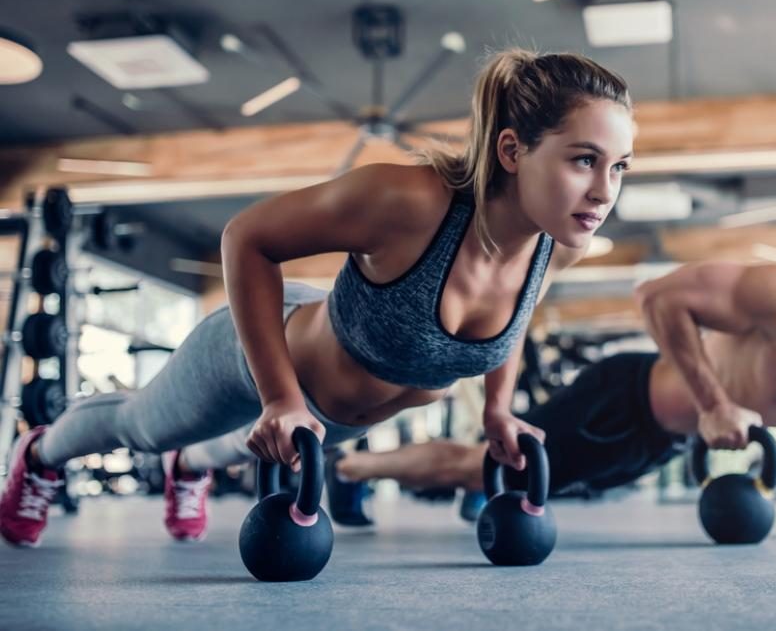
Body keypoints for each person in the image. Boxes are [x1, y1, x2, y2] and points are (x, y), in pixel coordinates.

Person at [0, 49, 636, 547]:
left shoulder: (558, 244)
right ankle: (41, 454)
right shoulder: (408, 203)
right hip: (261, 352)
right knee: (141, 429)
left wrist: (497, 409)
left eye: (620, 167)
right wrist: (279, 396)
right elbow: (247, 238)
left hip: (323, 422)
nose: (604, 190)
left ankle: (190, 469)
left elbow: (512, 322)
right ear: (511, 150)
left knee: (232, 445)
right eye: (585, 160)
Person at [328, 186, 776, 510]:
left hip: (655, 438)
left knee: (528, 487)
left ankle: (438, 486)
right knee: (480, 466)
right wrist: (714, 403)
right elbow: (659, 296)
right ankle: (349, 471)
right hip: (623, 401)